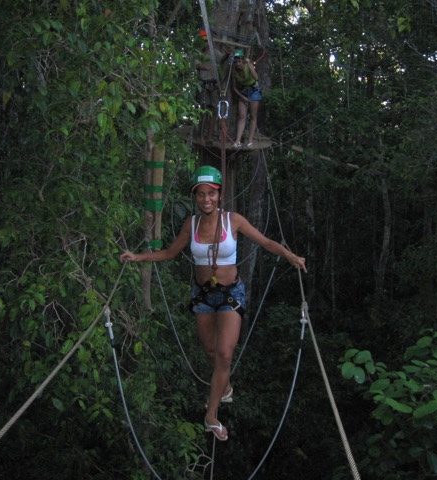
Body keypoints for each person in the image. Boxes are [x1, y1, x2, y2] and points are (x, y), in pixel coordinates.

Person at [119, 166, 307, 442]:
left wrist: (291, 257)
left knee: (224, 354)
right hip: (203, 295)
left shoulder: (234, 221)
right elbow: (170, 253)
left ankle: (211, 416)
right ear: (195, 197)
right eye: (200, 194)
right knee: (210, 351)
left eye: (211, 194)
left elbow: (265, 242)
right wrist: (137, 257)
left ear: (219, 195)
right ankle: (225, 385)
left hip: (231, 293)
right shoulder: (191, 225)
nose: (206, 199)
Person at [195, 30, 228, 140]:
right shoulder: (198, 53)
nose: (205, 44)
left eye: (206, 41)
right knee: (203, 109)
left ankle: (209, 135)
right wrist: (205, 67)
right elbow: (198, 64)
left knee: (214, 110)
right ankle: (199, 133)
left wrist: (227, 53)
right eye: (203, 42)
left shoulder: (214, 52)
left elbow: (222, 59)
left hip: (213, 85)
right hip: (204, 84)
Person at [231, 49, 261, 148]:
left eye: (239, 61)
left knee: (253, 115)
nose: (237, 64)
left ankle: (250, 140)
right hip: (244, 92)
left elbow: (256, 77)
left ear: (242, 61)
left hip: (254, 90)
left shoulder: (248, 65)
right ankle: (238, 140)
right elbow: (234, 88)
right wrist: (242, 97)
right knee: (242, 116)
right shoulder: (234, 72)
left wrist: (250, 64)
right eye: (235, 62)